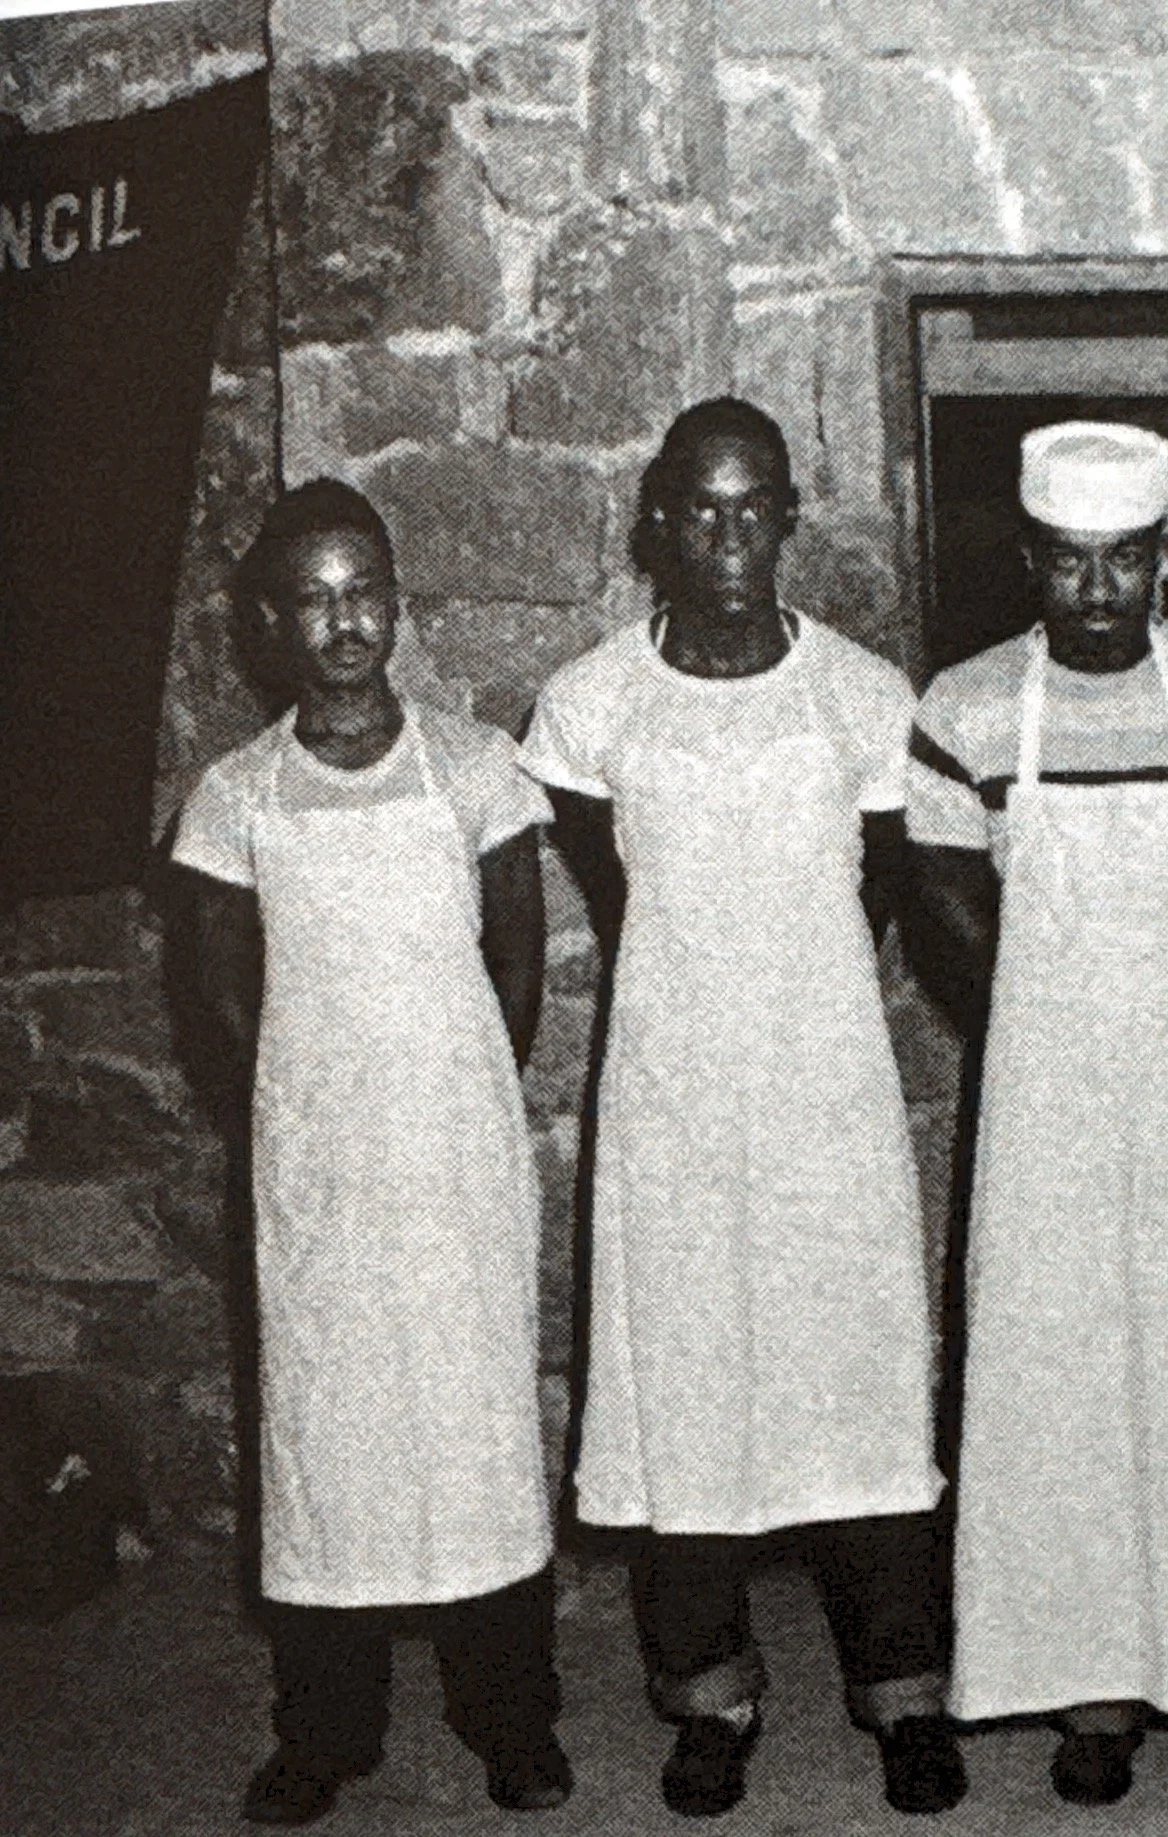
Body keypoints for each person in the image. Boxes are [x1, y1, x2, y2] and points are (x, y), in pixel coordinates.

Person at [519, 398, 963, 1820]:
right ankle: (707, 1693)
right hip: (673, 1098)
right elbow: (608, 872)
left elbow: (884, 886)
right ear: (658, 522)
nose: (727, 535)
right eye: (699, 510)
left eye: (754, 505)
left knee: (863, 1379)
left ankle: (901, 1689)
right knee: (684, 1384)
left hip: (825, 1092)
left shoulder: (865, 694)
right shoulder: (590, 704)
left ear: (788, 517)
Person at [908, 421, 1168, 1807]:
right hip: (1039, 1096)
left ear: (1160, 559)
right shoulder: (960, 711)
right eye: (1072, 565)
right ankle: (1086, 1690)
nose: (1098, 593)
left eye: (1126, 563)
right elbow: (947, 905)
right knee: (1057, 1383)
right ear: (1031, 557)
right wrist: (1044, 1025)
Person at [176, 479, 568, 1825]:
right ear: (274, 622)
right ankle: (327, 1727)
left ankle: (510, 1718)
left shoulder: (474, 767)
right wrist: (300, 1121)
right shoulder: (235, 796)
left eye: (369, 593)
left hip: (453, 1154)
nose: (348, 623)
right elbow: (219, 993)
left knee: (473, 1432)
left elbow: (514, 960)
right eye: (318, 599)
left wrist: (446, 1094)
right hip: (321, 1171)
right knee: (329, 1437)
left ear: (397, 604)